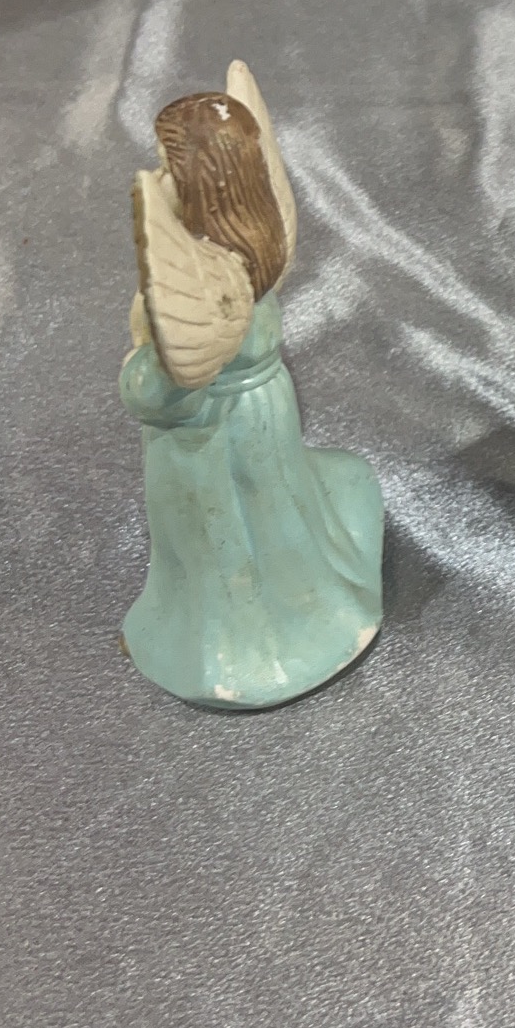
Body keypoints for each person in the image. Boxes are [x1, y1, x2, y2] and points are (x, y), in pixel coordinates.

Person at [121, 81, 383, 708]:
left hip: (207, 437)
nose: (163, 176)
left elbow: (160, 389)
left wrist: (141, 373)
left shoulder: (204, 287)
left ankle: (239, 650)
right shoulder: (257, 252)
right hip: (266, 412)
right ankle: (306, 608)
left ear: (194, 180)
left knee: (224, 540)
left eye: (169, 165)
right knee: (278, 509)